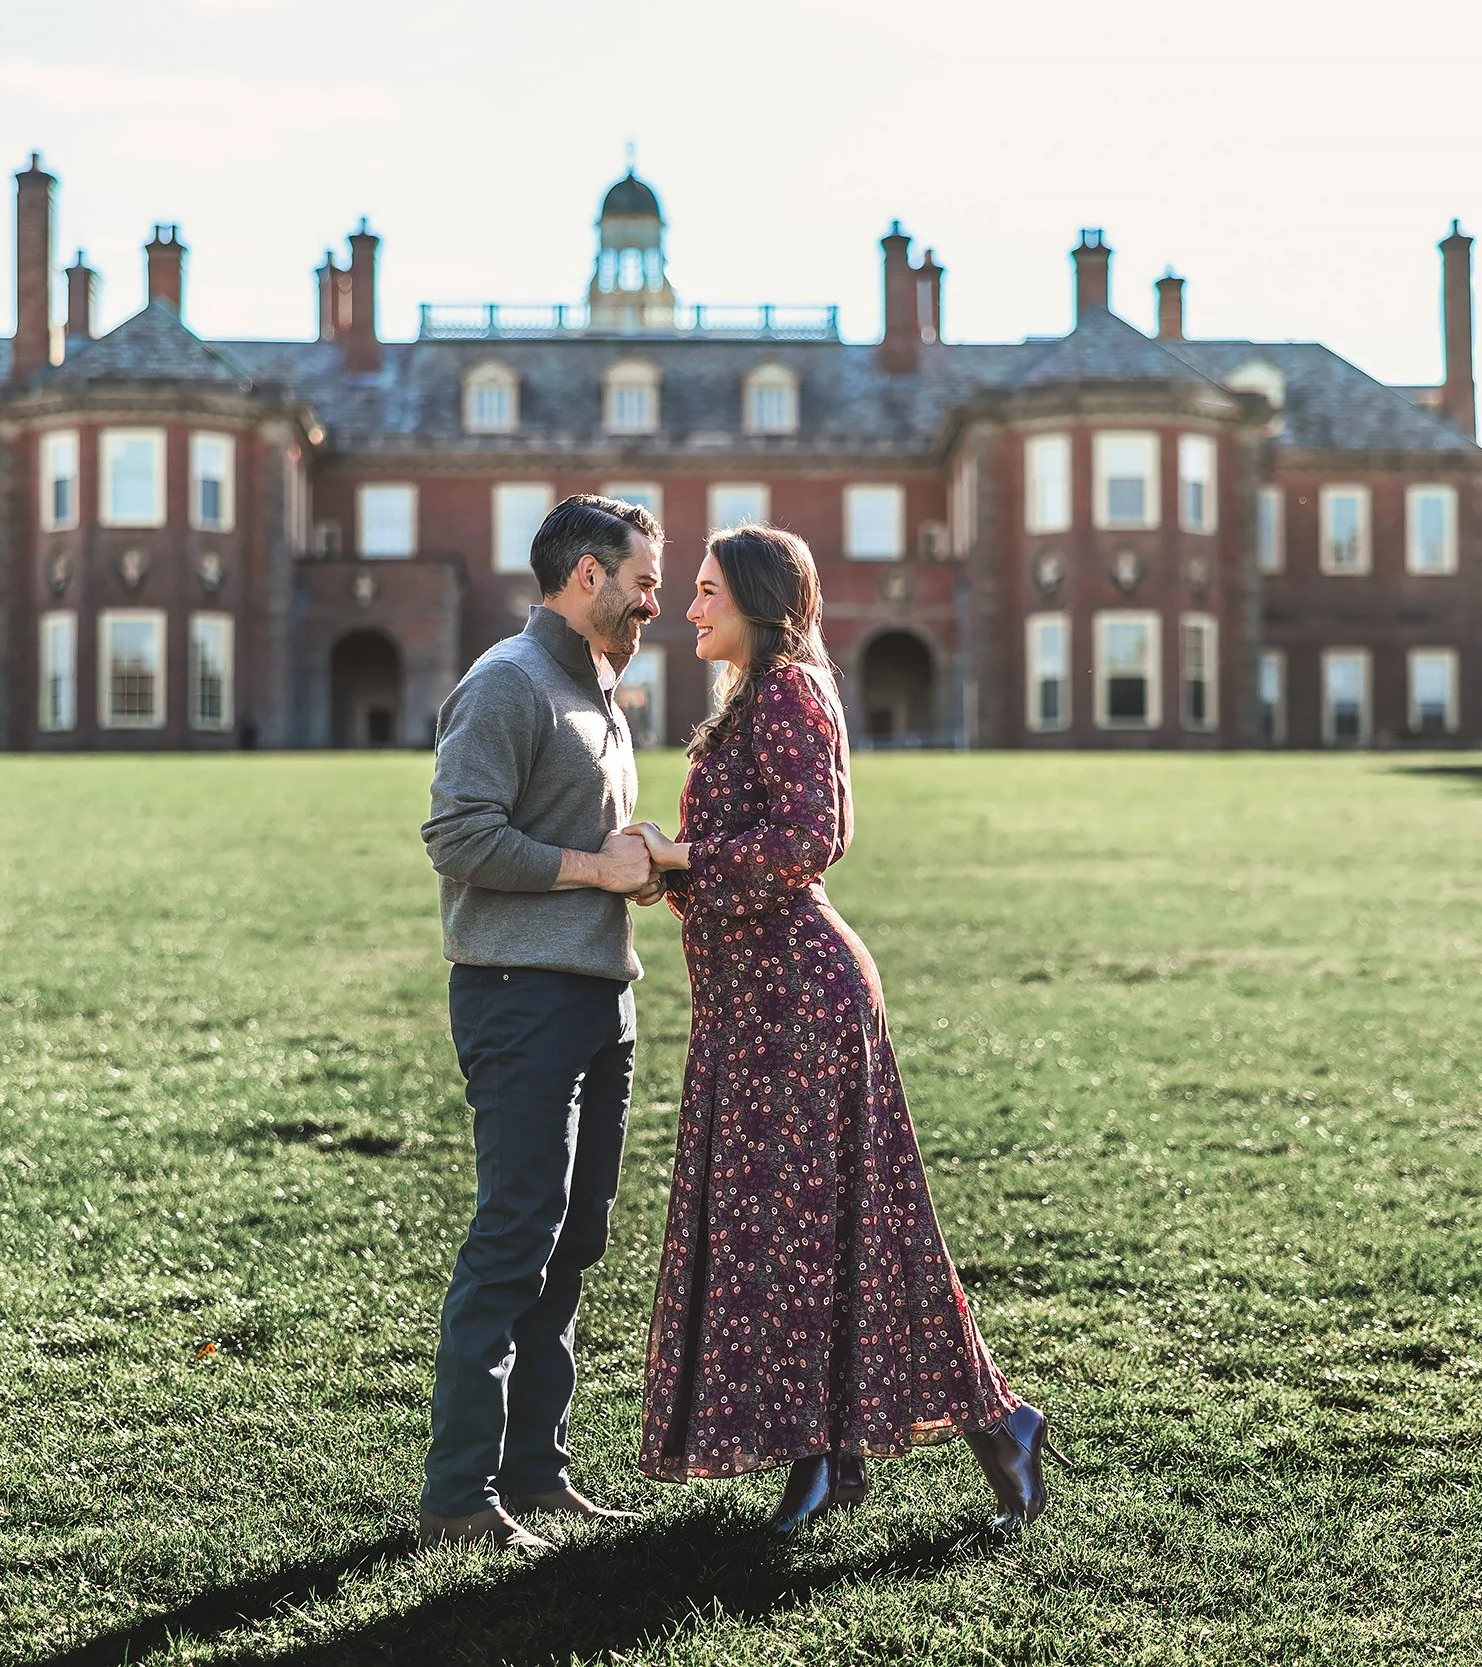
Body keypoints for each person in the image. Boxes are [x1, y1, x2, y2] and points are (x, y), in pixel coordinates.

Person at [627, 525, 1061, 1535]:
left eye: (705, 593)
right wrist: (672, 862)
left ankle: (980, 1424)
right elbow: (754, 843)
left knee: (843, 1228)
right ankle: (850, 1451)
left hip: (800, 1002)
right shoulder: (750, 697)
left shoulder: (789, 690)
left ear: (760, 602)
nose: (688, 609)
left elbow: (812, 835)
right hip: (754, 1003)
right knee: (797, 1231)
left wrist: (682, 856)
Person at [416, 494, 667, 1555]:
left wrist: (634, 861)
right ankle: (458, 1498)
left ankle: (537, 1470)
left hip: (596, 994)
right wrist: (590, 866)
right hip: (518, 996)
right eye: (642, 579)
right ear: (583, 575)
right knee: (515, 1236)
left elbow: (575, 838)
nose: (655, 597)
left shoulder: (598, 689)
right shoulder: (510, 681)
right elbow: (457, 832)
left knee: (573, 1238)